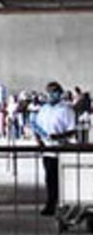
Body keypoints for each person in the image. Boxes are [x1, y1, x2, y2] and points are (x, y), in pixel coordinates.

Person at [31, 81, 78, 216]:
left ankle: (62, 204)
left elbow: (71, 130)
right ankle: (51, 203)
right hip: (47, 149)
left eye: (54, 91)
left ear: (60, 93)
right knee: (49, 178)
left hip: (61, 149)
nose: (52, 94)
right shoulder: (44, 109)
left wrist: (58, 136)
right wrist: (39, 140)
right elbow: (37, 126)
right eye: (49, 91)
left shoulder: (66, 110)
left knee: (61, 179)